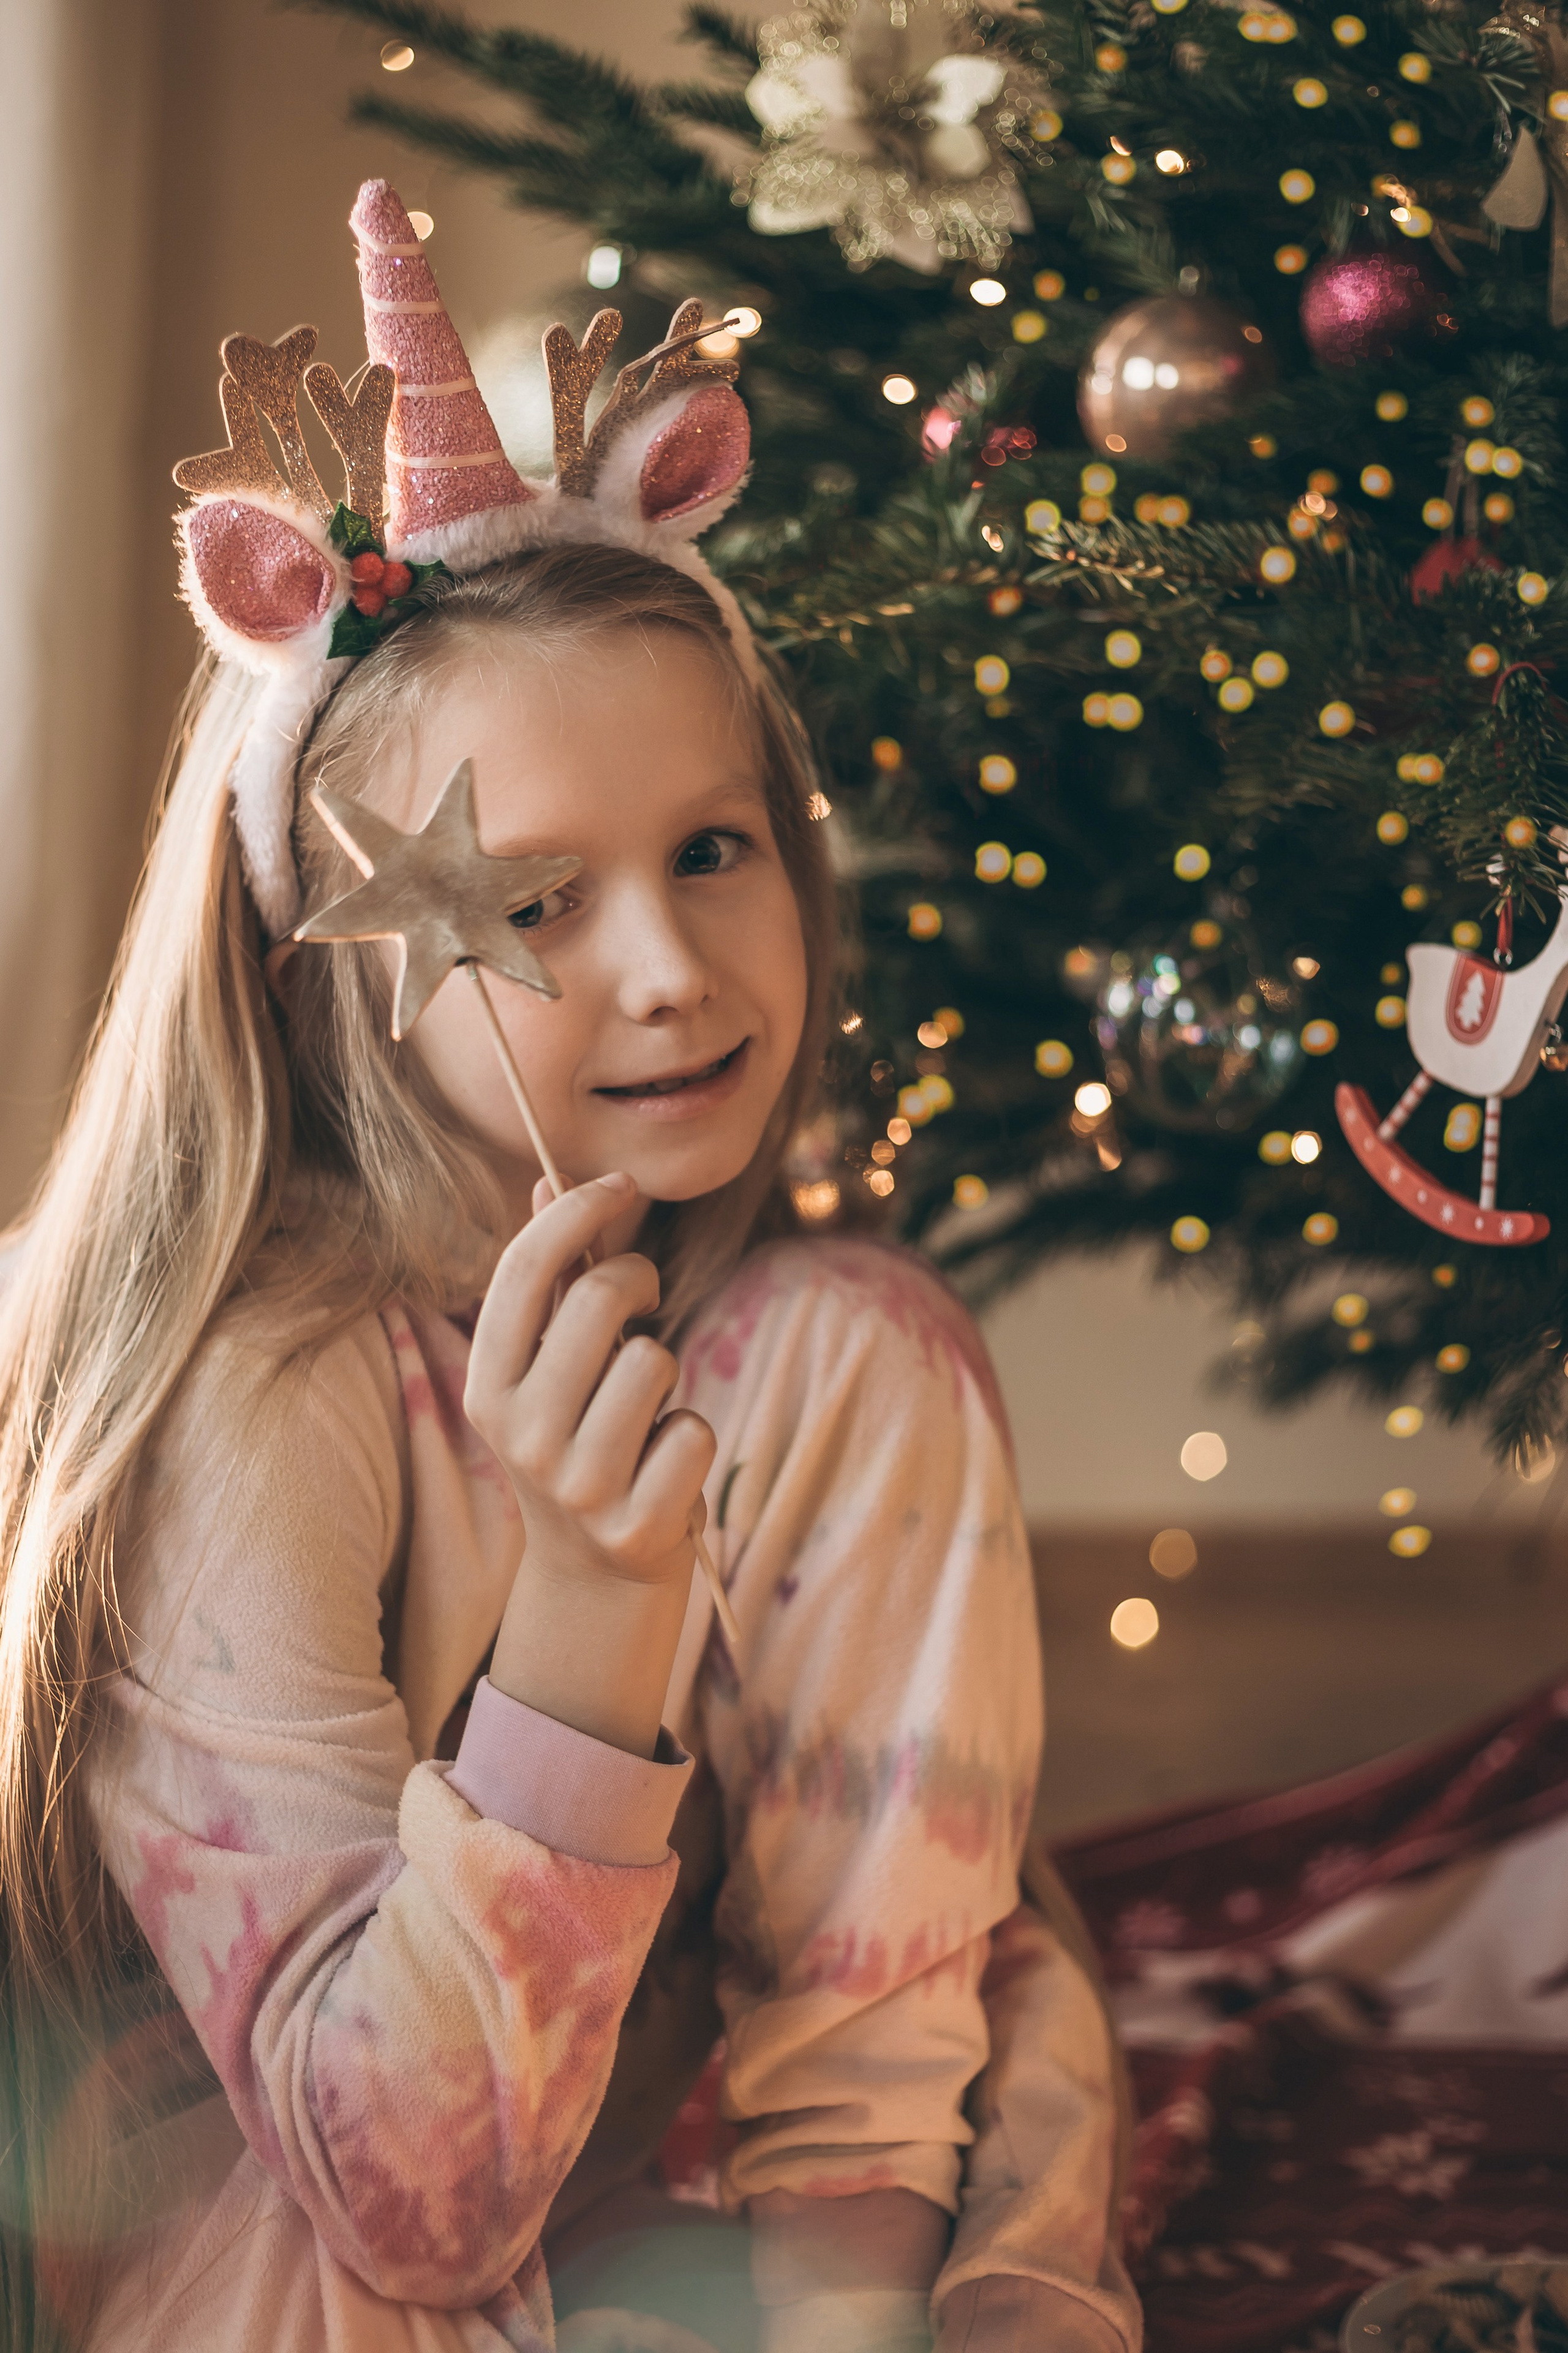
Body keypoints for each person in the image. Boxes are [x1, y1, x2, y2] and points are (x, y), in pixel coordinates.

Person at [0, 182, 1137, 2353]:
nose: (671, 970)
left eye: (713, 850)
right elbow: (409, 2201)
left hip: (679, 2124)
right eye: (531, 904)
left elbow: (866, 2047)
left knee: (1012, 2086)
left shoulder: (838, 1364)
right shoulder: (255, 1399)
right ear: (336, 967)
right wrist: (598, 1618)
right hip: (301, 2147)